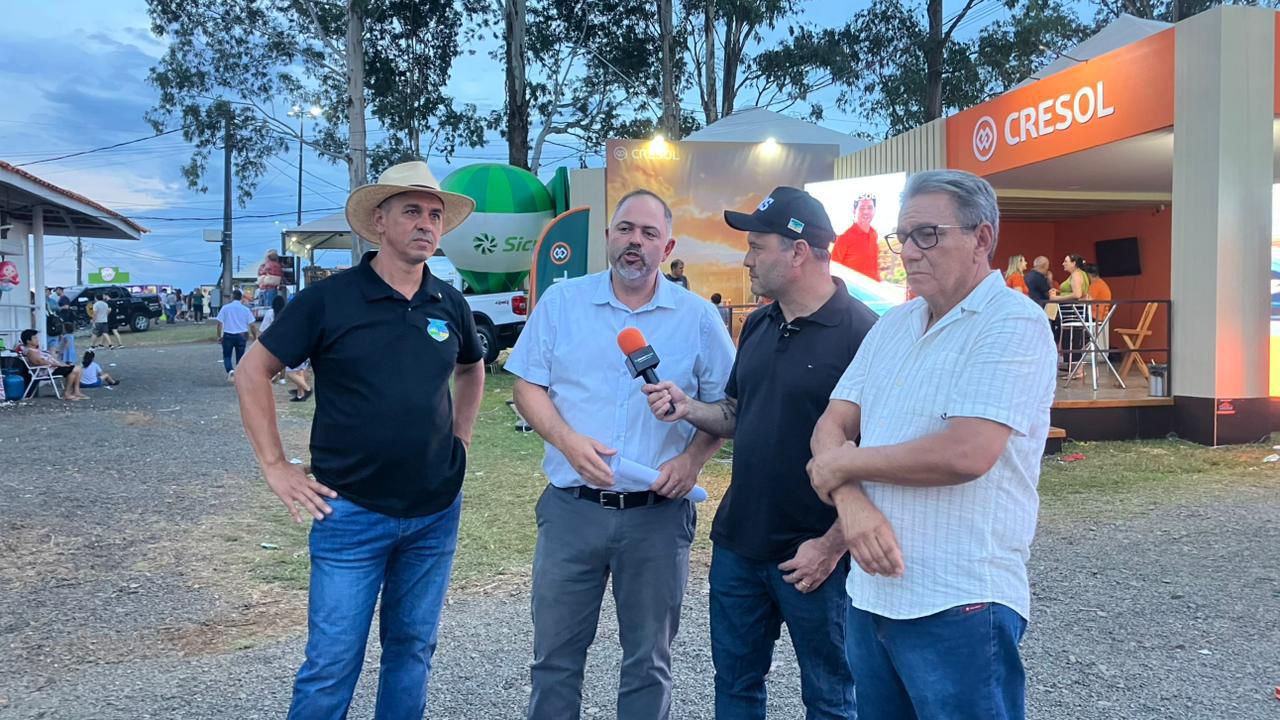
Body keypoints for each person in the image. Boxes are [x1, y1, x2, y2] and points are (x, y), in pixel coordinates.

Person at [235, 160, 485, 719]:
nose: (426, 224)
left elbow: (472, 369)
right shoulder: (329, 300)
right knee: (331, 665)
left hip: (434, 512)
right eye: (412, 211)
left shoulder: (448, 303)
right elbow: (252, 372)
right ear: (379, 221)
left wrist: (461, 441)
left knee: (412, 650)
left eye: (435, 215)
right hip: (349, 512)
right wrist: (275, 465)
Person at [807, 170, 1057, 720]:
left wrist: (840, 466)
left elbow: (967, 452)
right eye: (903, 237)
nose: (909, 252)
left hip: (960, 598)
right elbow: (831, 422)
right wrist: (852, 505)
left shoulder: (1013, 322)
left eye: (928, 234)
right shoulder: (893, 324)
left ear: (982, 238)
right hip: (872, 596)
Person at [643, 186, 877, 719]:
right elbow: (736, 412)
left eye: (756, 247)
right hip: (738, 548)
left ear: (799, 252)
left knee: (831, 696)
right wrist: (688, 407)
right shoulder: (759, 323)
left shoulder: (863, 334)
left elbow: (879, 454)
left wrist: (832, 547)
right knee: (736, 687)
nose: (746, 260)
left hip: (814, 557)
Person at [506, 189, 735, 720]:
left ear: (667, 247)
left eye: (649, 233)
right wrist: (567, 441)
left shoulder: (698, 318)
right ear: (609, 237)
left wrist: (692, 461)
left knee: (648, 662)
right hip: (572, 510)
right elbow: (526, 386)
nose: (636, 242)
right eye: (626, 229)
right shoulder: (562, 303)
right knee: (554, 659)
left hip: (657, 516)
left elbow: (728, 406)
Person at [19, 329, 86, 400]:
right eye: (35, 338)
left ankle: (76, 391)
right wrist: (57, 365)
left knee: (78, 368)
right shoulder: (30, 351)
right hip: (46, 371)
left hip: (51, 368)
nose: (37, 339)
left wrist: (58, 364)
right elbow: (39, 362)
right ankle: (66, 393)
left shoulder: (35, 350)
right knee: (74, 370)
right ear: (28, 341)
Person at [831, 192, 880, 280]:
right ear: (854, 211)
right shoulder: (844, 237)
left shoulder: (874, 234)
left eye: (870, 208)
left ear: (874, 210)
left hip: (872, 286)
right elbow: (833, 269)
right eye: (862, 208)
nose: (866, 212)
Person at [216, 289, 255, 381]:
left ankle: (230, 370)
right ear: (241, 298)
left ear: (232, 297)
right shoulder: (245, 309)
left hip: (228, 334)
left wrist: (219, 336)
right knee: (240, 356)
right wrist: (254, 336)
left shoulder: (225, 308)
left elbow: (219, 323)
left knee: (227, 355)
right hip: (242, 334)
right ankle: (239, 373)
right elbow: (252, 325)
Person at [1085, 263, 1113, 355]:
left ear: (1088, 275)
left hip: (1095, 316)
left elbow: (1087, 300)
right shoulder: (1101, 283)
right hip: (1100, 316)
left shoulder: (1096, 284)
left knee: (1070, 320)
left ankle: (1073, 355)